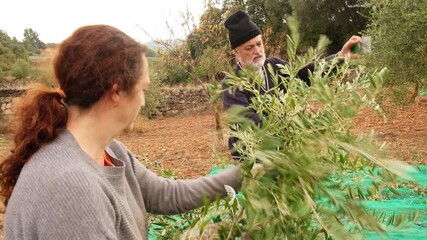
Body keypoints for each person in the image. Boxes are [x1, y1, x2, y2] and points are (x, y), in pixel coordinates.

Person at [0, 25, 242, 240]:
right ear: (115, 92)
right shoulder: (72, 188)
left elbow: (166, 194)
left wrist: (249, 173)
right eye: (143, 89)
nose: (144, 102)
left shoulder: (109, 150)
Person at [222, 10, 362, 160]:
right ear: (236, 53)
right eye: (249, 48)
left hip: (282, 151)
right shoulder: (232, 82)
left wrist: (340, 57)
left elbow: (306, 73)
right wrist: (292, 119)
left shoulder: (274, 65)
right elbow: (246, 120)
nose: (257, 51)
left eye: (259, 44)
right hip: (251, 156)